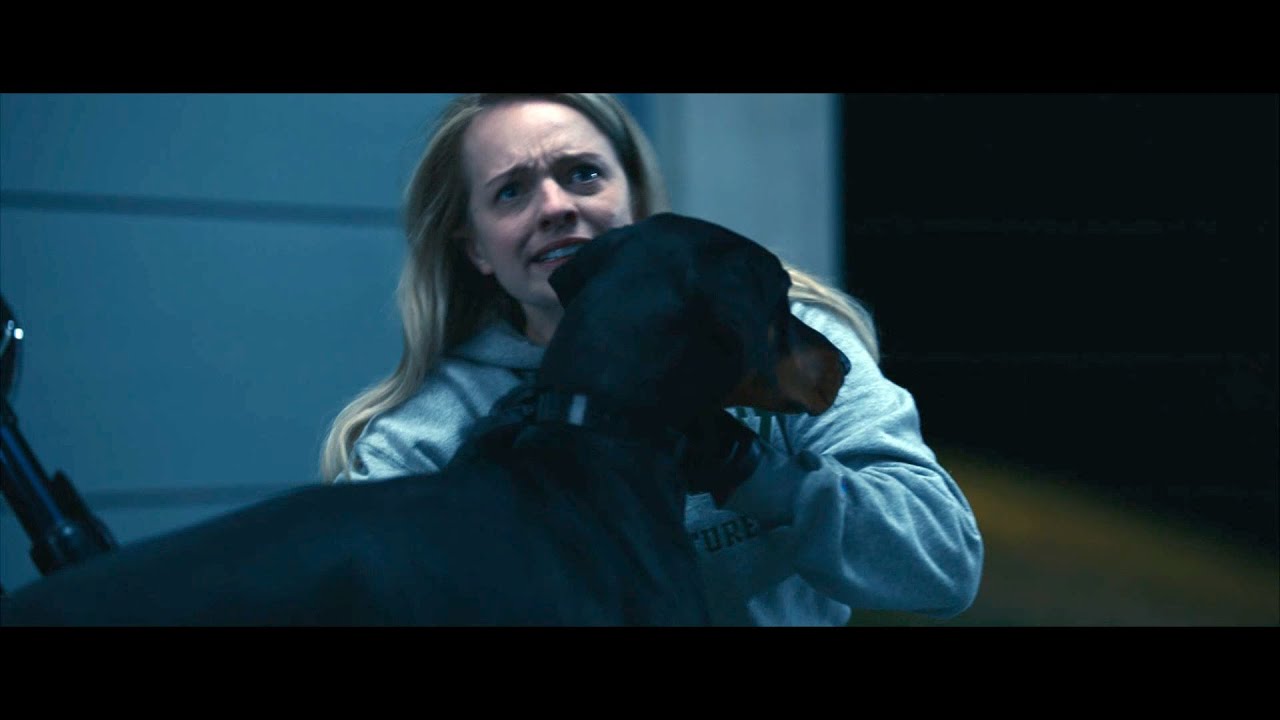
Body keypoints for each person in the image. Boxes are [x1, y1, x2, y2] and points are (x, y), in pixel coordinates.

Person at [319, 93, 984, 626]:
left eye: (583, 174)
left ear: (634, 199)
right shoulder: (423, 439)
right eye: (511, 192)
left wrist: (753, 472)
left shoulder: (771, 343)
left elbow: (944, 564)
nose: (556, 207)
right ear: (476, 249)